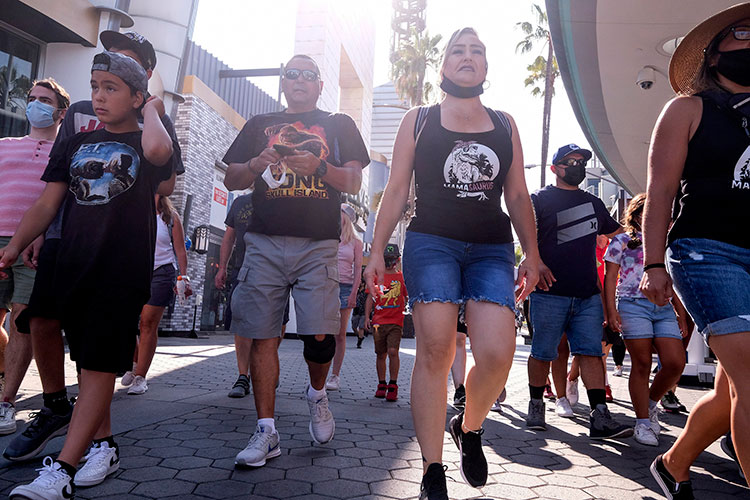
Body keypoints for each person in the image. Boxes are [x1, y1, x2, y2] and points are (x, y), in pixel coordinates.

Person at [364, 27, 540, 499]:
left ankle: (470, 425)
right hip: (432, 242)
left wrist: (534, 255)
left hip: (491, 248)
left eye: (476, 51)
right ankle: (432, 471)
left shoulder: (504, 123)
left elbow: (518, 193)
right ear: (443, 66)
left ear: (485, 67)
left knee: (499, 354)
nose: (467, 57)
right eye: (458, 51)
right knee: (436, 350)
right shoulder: (418, 119)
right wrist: (376, 249)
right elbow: (397, 190)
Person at [3, 30, 184, 464]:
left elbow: (165, 173)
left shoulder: (149, 125)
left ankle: (92, 449)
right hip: (67, 245)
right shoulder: (79, 125)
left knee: (95, 352)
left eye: (120, 68)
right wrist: (21, 242)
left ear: (143, 82)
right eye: (97, 80)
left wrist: (154, 107)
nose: (101, 91)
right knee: (39, 320)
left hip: (118, 257)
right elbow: (51, 196)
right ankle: (55, 405)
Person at [222, 53, 369, 468]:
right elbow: (231, 178)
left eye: (308, 75)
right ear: (283, 82)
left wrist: (320, 166)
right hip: (264, 241)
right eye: (292, 73)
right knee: (261, 334)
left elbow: (355, 180)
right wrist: (254, 163)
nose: (300, 80)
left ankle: (317, 395)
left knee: (320, 336)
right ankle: (266, 430)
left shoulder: (339, 124)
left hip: (319, 244)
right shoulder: (258, 125)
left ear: (320, 85)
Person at [639, 4, 750, 497]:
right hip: (707, 253)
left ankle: (674, 463)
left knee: (734, 390)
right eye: (743, 33)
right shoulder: (686, 109)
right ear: (715, 49)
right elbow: (659, 193)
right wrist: (654, 263)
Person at [525, 143, 631, 439]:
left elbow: (619, 233)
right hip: (548, 293)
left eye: (581, 161)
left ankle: (600, 417)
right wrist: (537, 262)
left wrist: (647, 230)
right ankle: (536, 406)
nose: (576, 165)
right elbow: (525, 236)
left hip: (588, 295)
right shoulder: (539, 200)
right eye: (569, 161)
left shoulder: (594, 203)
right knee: (542, 351)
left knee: (591, 353)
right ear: (554, 168)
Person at [0, 78, 69, 436]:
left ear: (61, 110)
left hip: (34, 246)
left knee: (22, 321)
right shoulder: (4, 146)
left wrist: (42, 234)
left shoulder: (66, 153)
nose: (36, 104)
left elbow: (60, 202)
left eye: (45, 99)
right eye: (32, 98)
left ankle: (5, 403)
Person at [604, 193, 686, 446]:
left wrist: (681, 314)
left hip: (663, 307)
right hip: (631, 305)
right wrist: (610, 312)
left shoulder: (667, 241)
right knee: (640, 363)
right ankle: (642, 423)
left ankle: (649, 403)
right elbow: (609, 279)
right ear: (638, 214)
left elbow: (673, 279)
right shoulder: (621, 240)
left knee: (675, 363)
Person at [121, 194, 191, 395]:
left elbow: (180, 250)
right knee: (126, 321)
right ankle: (134, 363)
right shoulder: (131, 212)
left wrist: (183, 278)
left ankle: (141, 377)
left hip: (161, 272)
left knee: (147, 322)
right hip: (132, 271)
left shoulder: (170, 217)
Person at [326, 204, 363, 391]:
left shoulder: (356, 243)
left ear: (346, 218)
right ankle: (320, 373)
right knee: (323, 331)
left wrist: (354, 292)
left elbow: (358, 269)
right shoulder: (328, 235)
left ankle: (335, 375)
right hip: (327, 285)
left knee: (340, 334)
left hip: (346, 287)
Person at [365, 243, 407, 401]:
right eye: (386, 260)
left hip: (396, 321)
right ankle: (381, 384)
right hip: (378, 321)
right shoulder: (376, 277)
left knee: (393, 351)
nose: (390, 263)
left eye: (392, 260)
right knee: (380, 353)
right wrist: (367, 317)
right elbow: (370, 297)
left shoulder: (402, 277)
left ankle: (393, 384)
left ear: (398, 260)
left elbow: (407, 296)